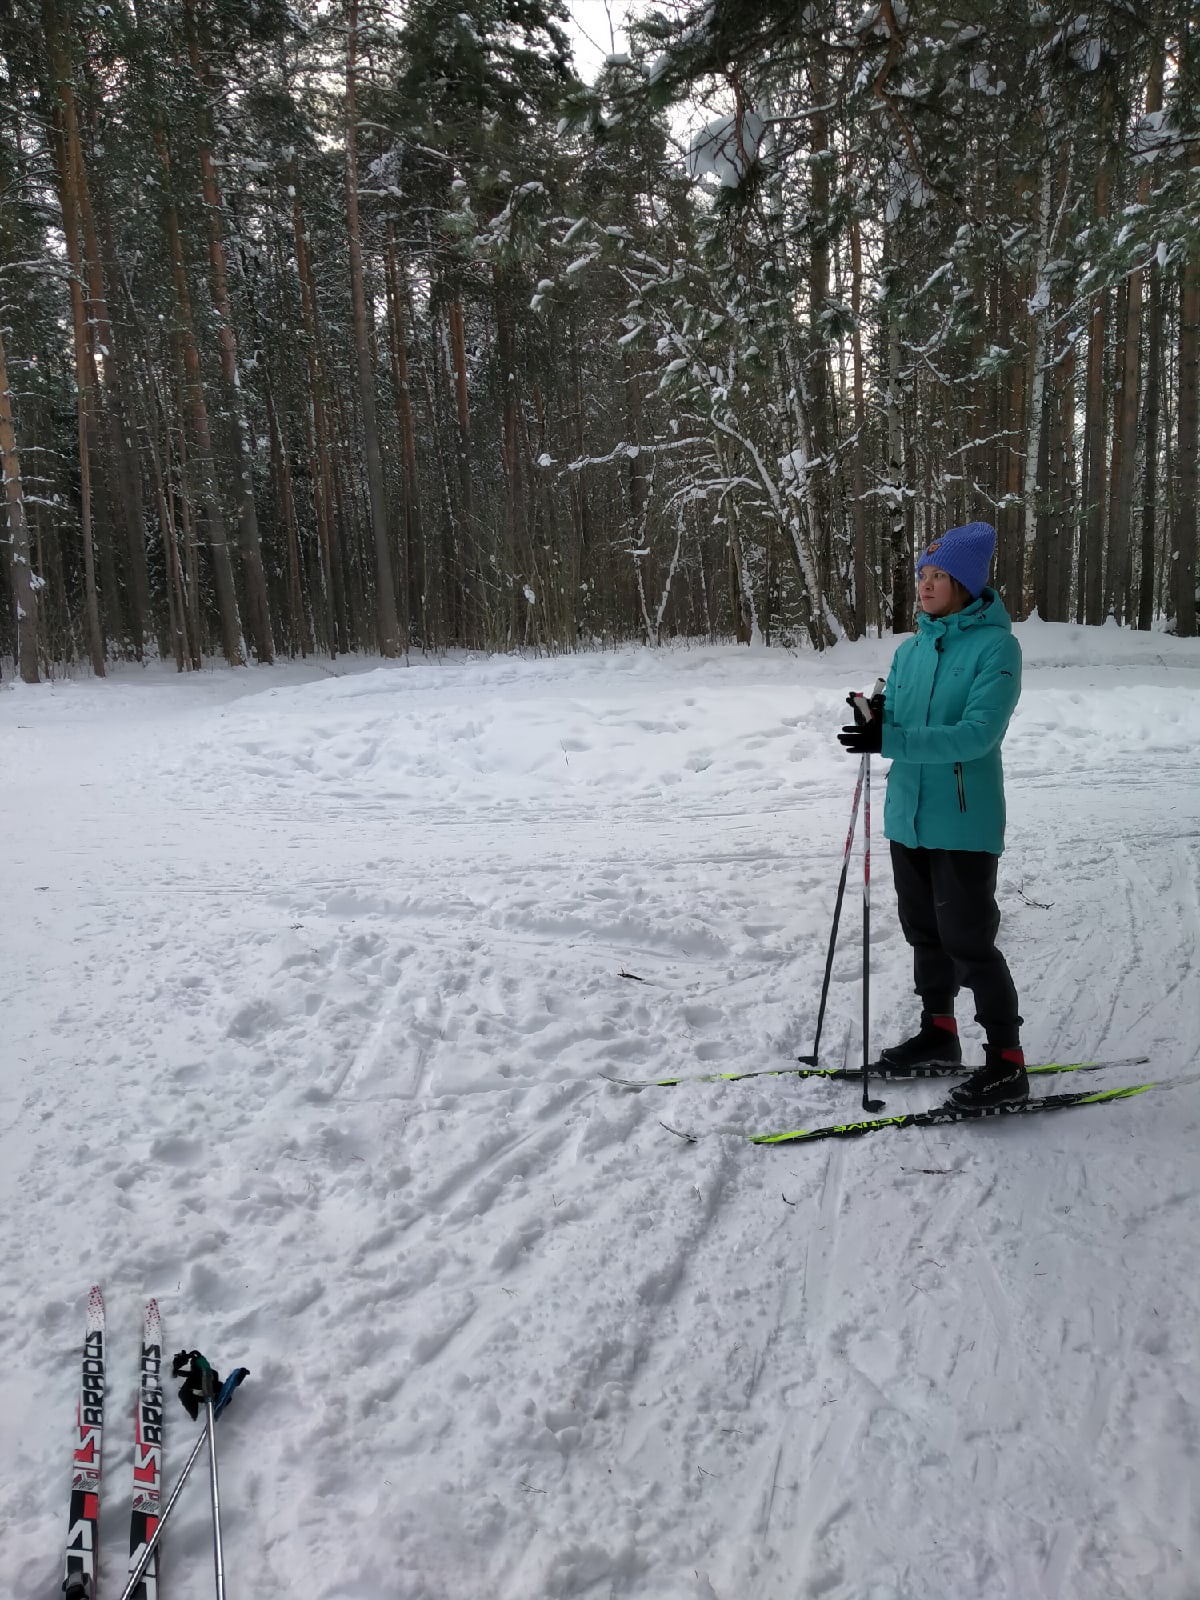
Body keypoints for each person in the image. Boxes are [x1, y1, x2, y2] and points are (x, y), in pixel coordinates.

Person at [837, 520, 1026, 1110]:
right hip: (908, 816)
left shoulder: (997, 648)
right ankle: (939, 1034)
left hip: (963, 819)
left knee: (969, 941)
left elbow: (976, 735)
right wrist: (875, 719)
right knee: (925, 933)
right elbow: (902, 719)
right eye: (922, 574)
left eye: (938, 575)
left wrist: (892, 737)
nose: (925, 584)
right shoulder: (910, 649)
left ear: (966, 584)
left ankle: (1007, 1063)